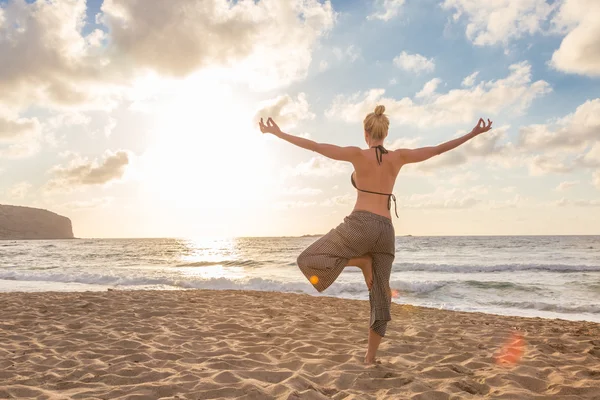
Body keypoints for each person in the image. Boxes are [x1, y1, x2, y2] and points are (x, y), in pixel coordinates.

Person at [258, 105, 492, 364]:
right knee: (381, 297)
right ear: (385, 133)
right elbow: (437, 150)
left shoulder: (357, 155)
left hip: (360, 224)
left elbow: (315, 146)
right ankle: (370, 358)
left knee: (308, 259)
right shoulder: (399, 157)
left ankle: (360, 262)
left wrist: (279, 134)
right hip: (386, 230)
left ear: (366, 133)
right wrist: (472, 134)